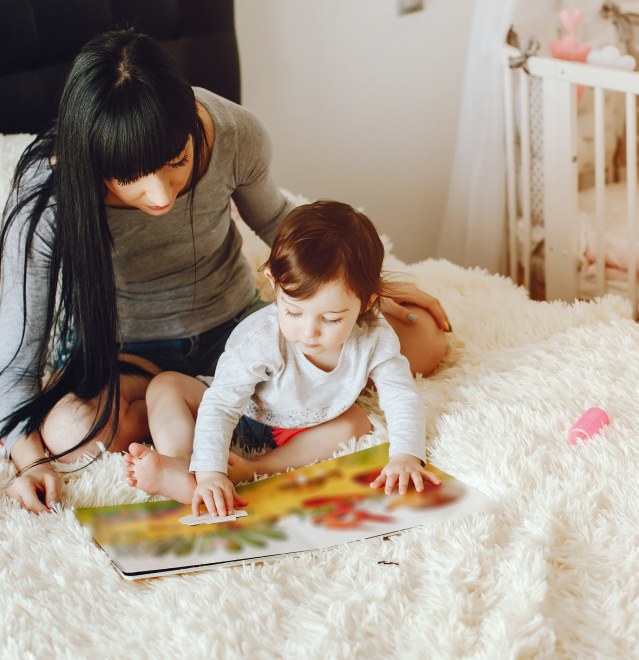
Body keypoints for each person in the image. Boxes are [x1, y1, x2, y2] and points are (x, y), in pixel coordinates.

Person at [0, 28, 449, 513]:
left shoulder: (233, 133)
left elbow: (277, 221)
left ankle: (209, 412)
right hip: (127, 356)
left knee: (423, 336)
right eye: (130, 177)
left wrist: (368, 288)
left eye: (177, 161)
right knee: (68, 433)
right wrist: (29, 463)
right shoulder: (47, 195)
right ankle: (180, 420)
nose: (161, 195)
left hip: (232, 325)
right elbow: (16, 364)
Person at [122, 201, 443, 516]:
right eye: (293, 312)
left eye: (331, 318)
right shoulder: (259, 337)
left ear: (367, 302)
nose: (309, 331)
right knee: (166, 386)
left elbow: (401, 395)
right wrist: (210, 472)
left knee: (356, 422)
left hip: (307, 424)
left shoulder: (375, 336)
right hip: (244, 414)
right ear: (273, 282)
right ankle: (181, 463)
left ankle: (252, 468)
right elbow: (220, 404)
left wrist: (406, 456)